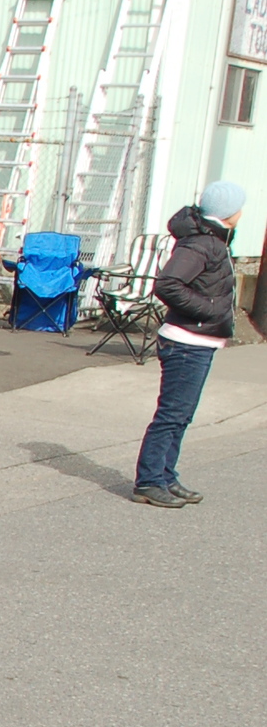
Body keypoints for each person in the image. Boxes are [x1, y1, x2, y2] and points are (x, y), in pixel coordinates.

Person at [133, 180, 244, 508]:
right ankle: (149, 481)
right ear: (227, 212)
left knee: (182, 415)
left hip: (199, 340)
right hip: (185, 341)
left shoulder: (215, 241)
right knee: (172, 414)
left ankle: (165, 475)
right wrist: (209, 310)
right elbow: (168, 284)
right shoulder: (201, 244)